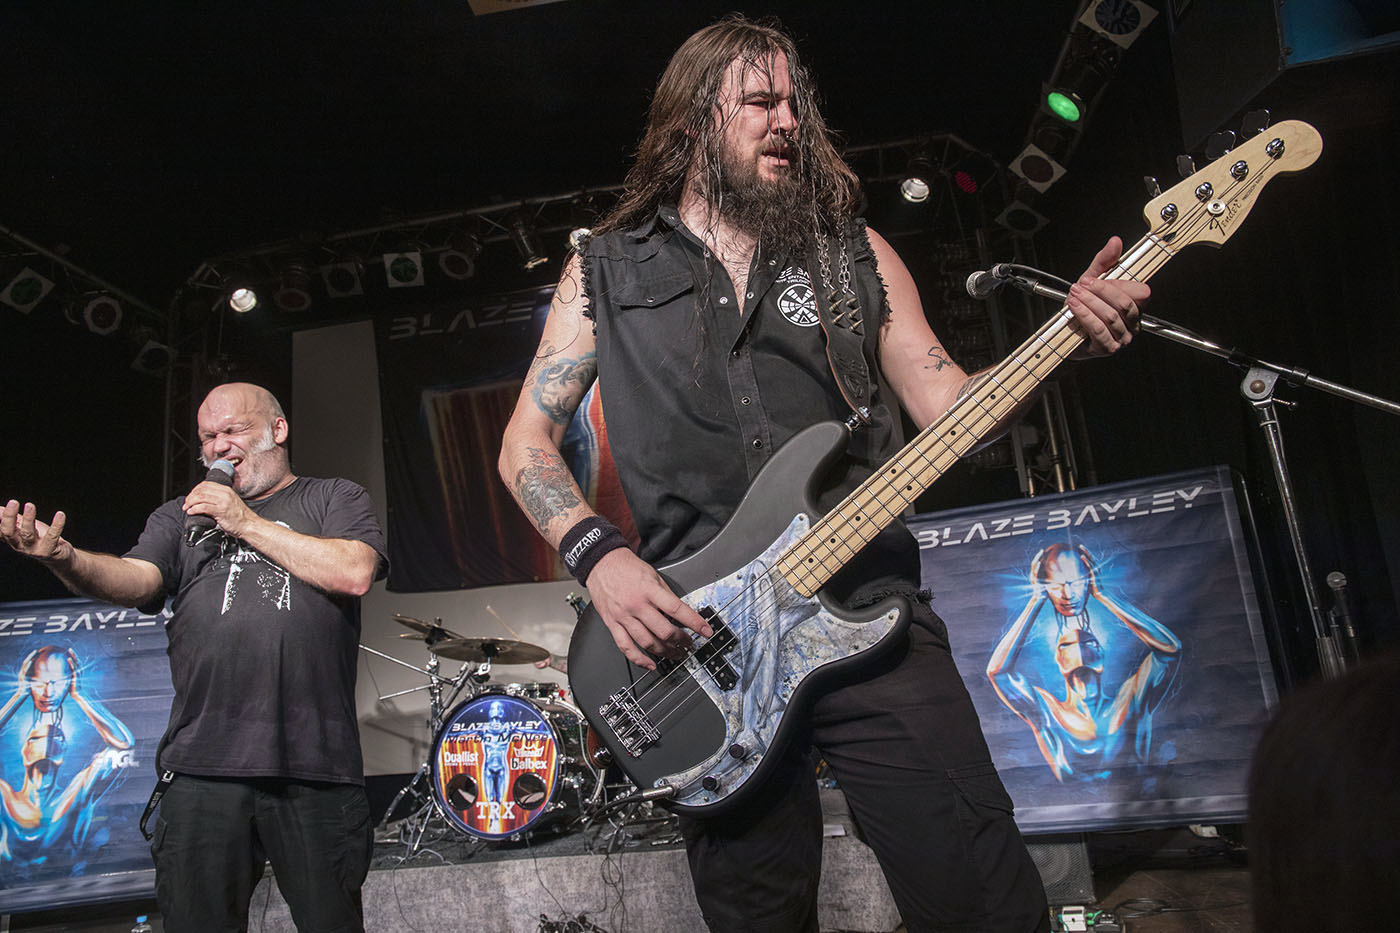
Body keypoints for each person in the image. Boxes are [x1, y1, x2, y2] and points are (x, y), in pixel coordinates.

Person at [498, 15, 1147, 932]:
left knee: (982, 894)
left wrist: (1063, 341)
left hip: (868, 606)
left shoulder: (852, 252)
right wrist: (599, 557)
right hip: (704, 645)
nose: (788, 122)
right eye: (761, 102)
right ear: (691, 120)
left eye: (795, 104)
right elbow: (525, 442)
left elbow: (948, 407)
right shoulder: (601, 272)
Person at [1, 382, 387, 933]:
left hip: (313, 765)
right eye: (208, 437)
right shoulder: (179, 517)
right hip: (202, 767)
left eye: (234, 430)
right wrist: (64, 557)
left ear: (277, 430)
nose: (218, 446)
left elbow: (354, 571)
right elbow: (135, 580)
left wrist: (243, 520)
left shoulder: (332, 497)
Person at [986, 543, 1182, 782]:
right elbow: (997, 672)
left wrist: (1104, 595)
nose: (1079, 645)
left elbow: (1170, 649)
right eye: (1066, 644)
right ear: (1058, 660)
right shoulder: (1048, 711)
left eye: (1089, 641)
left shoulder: (1131, 699)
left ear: (1102, 655)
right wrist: (1035, 600)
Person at [0, 645, 135, 861]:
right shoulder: (5, 797)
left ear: (63, 752)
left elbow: (123, 743)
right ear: (24, 751)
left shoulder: (76, 792)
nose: (48, 692)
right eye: (39, 682)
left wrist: (80, 695)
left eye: (57, 737)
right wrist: (19, 694)